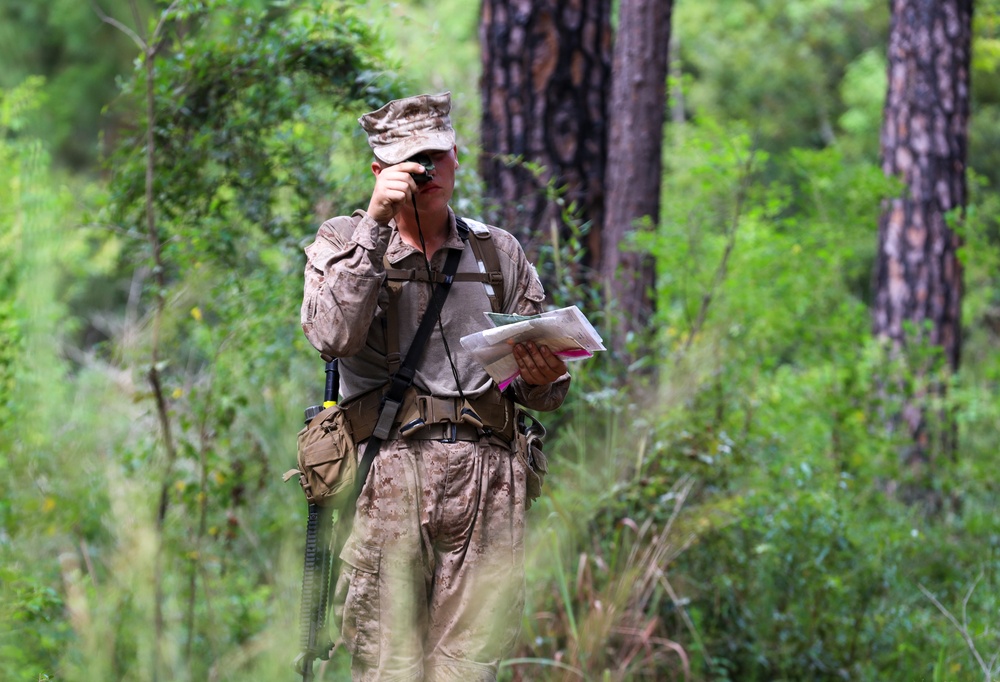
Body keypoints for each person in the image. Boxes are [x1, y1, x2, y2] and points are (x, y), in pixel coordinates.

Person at [300, 91, 570, 682]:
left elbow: (540, 390)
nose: (427, 172)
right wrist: (373, 227)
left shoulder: (497, 253)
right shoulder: (342, 243)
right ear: (379, 171)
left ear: (457, 159)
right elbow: (333, 336)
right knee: (388, 666)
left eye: (437, 157)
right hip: (388, 473)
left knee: (470, 667)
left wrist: (546, 379)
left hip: (488, 480)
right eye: (410, 161)